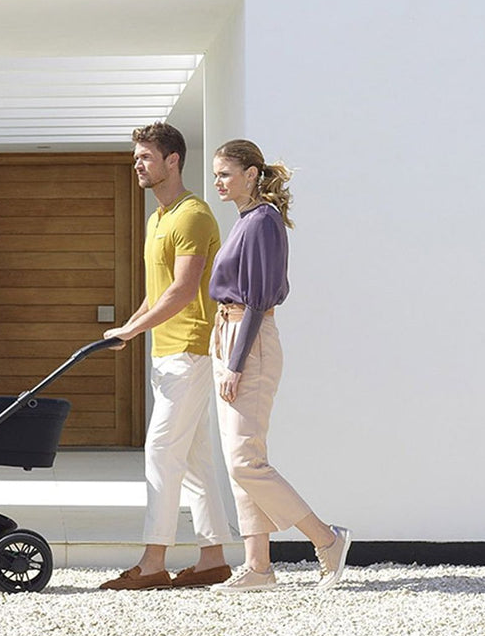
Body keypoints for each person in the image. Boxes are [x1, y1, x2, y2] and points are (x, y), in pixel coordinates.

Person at [207, 139, 350, 592]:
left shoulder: (263, 221)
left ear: (251, 173)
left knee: (247, 459)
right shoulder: (247, 219)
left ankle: (326, 540)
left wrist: (236, 362)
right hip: (228, 336)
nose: (218, 181)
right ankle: (258, 567)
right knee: (239, 459)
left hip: (248, 343)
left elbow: (258, 298)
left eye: (225, 173)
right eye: (216, 173)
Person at [99, 122, 233, 590]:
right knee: (194, 458)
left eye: (145, 157)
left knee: (160, 451)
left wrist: (133, 330)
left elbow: (181, 291)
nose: (137, 164)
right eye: (135, 156)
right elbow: (155, 294)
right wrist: (129, 331)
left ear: (173, 160)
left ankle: (153, 563)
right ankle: (213, 558)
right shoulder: (157, 218)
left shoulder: (193, 215)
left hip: (192, 349)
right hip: (166, 353)